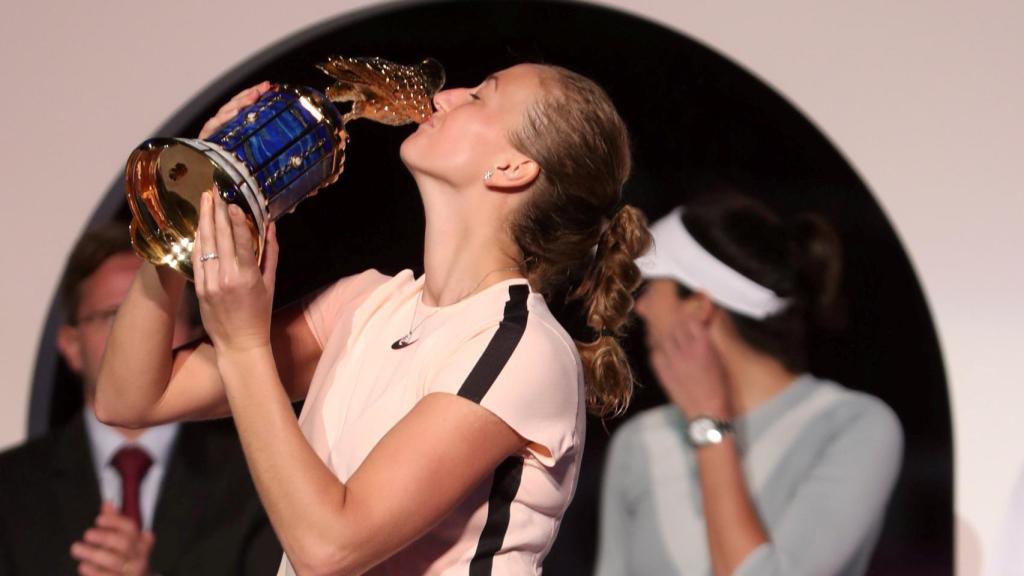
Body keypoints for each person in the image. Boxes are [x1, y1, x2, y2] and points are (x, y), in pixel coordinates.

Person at [95, 64, 652, 575]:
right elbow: (131, 399)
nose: (446, 95)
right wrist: (184, 210)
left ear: (512, 167)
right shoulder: (366, 304)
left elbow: (329, 547)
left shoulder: (522, 348)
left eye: (480, 96)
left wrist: (242, 346)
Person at [595, 193, 904, 576]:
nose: (639, 309)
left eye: (651, 290)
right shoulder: (638, 441)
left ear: (699, 307)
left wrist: (709, 420)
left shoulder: (853, 425)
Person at [0, 224, 280, 575]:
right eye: (113, 316)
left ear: (195, 334)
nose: (133, 334)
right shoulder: (11, 488)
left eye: (160, 316)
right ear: (71, 345)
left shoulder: (254, 474)